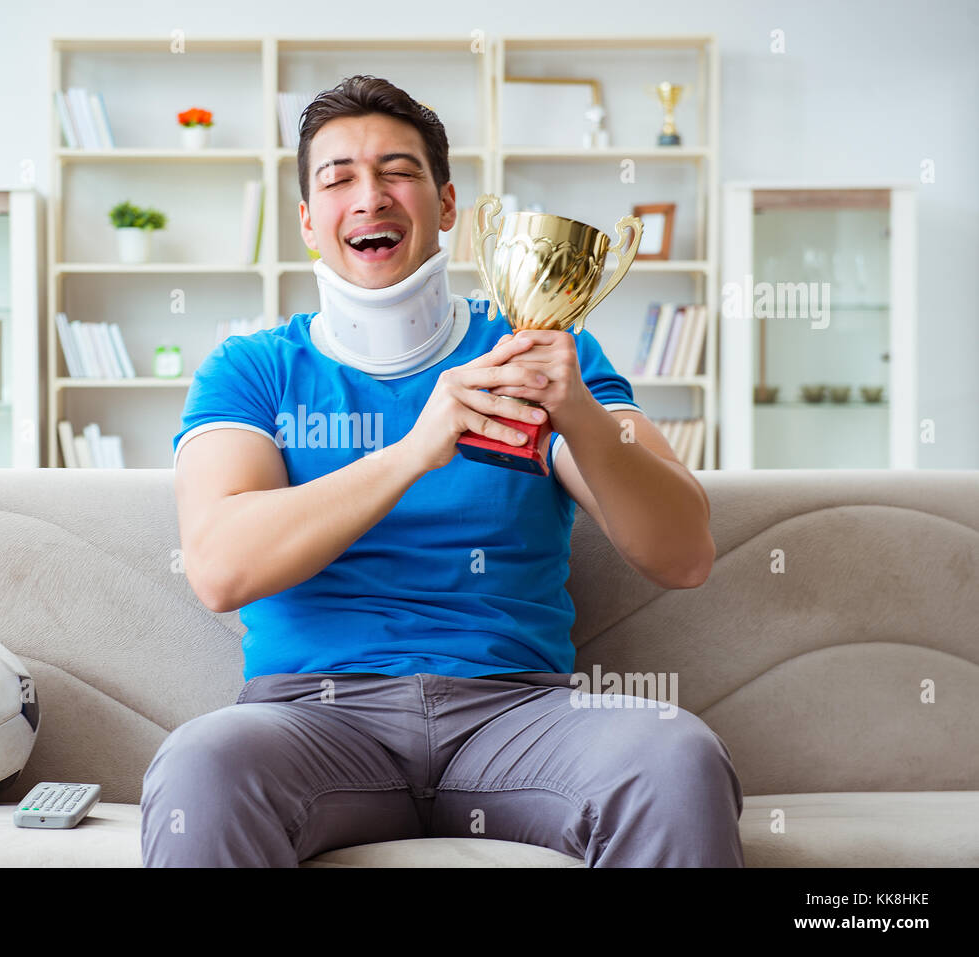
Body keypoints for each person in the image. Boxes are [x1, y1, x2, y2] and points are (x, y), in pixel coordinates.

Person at [142, 75, 743, 867]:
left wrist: (579, 415)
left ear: (448, 205)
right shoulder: (251, 370)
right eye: (339, 178)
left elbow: (684, 553)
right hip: (312, 720)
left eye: (399, 171)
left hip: (519, 715)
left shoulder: (543, 353)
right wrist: (417, 447)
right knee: (199, 766)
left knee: (676, 755)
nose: (371, 196)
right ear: (307, 223)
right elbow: (220, 567)